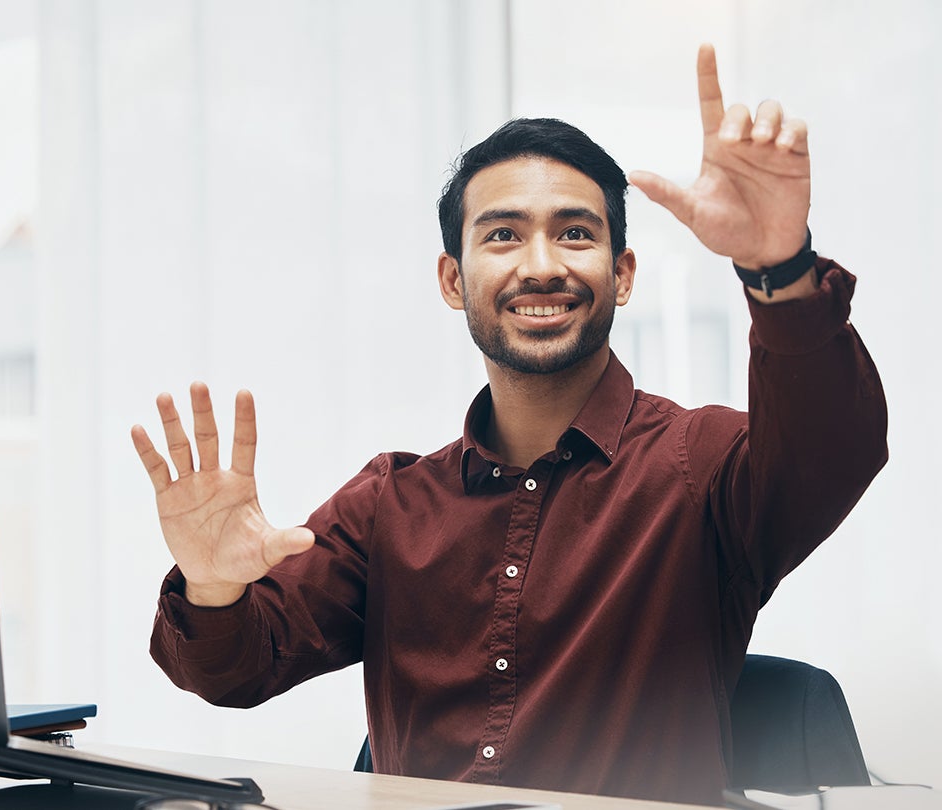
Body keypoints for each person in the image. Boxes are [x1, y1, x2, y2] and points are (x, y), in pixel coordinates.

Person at [132, 44, 887, 805]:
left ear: (621, 276)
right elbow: (237, 666)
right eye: (502, 235)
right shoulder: (389, 504)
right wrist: (213, 581)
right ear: (453, 281)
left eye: (576, 233)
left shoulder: (702, 463)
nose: (541, 265)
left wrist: (779, 269)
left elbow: (831, 451)